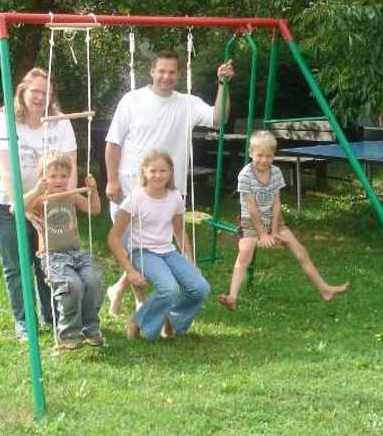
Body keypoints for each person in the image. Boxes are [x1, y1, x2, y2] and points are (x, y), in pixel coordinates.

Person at [104, 50, 234, 315]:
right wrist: (111, 180)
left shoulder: (188, 103)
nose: (166, 77)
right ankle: (141, 303)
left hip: (168, 189)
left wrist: (223, 84)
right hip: (131, 184)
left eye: (171, 72)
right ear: (152, 72)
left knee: (154, 245)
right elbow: (113, 143)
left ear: (178, 74)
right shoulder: (133, 100)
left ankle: (118, 289)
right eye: (161, 71)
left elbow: (218, 118)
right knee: (134, 246)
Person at [0, 67, 77, 341]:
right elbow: (5, 172)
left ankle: (52, 315)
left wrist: (63, 206)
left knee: (46, 258)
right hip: (3, 200)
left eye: (46, 93)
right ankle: (24, 322)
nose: (40, 97)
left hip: (46, 199)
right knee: (18, 262)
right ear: (23, 91)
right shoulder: (6, 121)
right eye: (35, 91)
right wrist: (23, 206)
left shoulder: (61, 122)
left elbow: (70, 167)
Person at [218, 131, 350, 311]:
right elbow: (251, 207)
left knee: (300, 251)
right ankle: (232, 296)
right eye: (260, 155)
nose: (264, 160)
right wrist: (262, 234)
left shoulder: (276, 172)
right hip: (251, 220)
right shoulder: (245, 175)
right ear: (251, 153)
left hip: (275, 219)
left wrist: (273, 232)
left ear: (274, 155)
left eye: (269, 156)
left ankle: (325, 289)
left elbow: (277, 203)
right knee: (245, 253)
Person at [107, 150, 210, 340]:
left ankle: (171, 319)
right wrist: (130, 271)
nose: (158, 175)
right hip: (142, 252)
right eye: (153, 171)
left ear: (171, 172)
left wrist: (189, 257)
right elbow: (113, 238)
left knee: (200, 288)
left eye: (163, 170)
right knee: (169, 289)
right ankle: (137, 322)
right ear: (144, 172)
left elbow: (179, 231)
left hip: (167, 251)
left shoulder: (175, 197)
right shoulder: (136, 199)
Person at [23, 152, 104, 350]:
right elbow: (16, 208)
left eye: (63, 176)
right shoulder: (40, 199)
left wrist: (93, 190)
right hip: (52, 256)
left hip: (76, 252)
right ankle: (69, 333)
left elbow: (94, 210)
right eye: (52, 176)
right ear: (43, 177)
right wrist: (36, 190)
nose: (59, 180)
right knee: (72, 285)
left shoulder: (71, 195)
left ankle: (90, 328)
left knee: (93, 281)